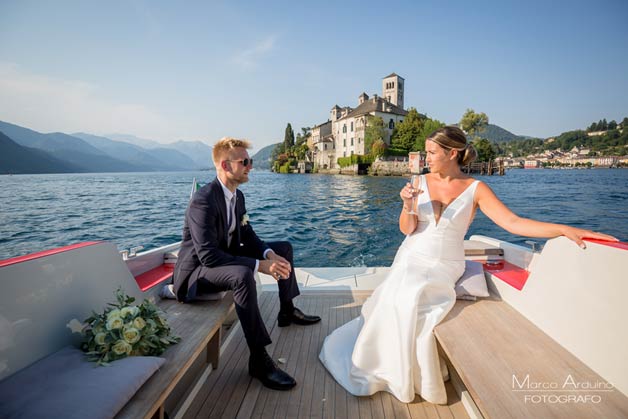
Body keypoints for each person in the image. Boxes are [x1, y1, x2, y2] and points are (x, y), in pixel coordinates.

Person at [319, 126, 617, 404]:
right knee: (402, 290)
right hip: (412, 253)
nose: (426, 158)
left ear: (452, 154)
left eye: (432, 153)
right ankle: (384, 363)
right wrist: (407, 205)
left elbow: (513, 223)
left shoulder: (477, 189)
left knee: (412, 294)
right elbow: (406, 229)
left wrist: (564, 229)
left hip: (446, 263)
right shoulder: (418, 181)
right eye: (425, 153)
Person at [173, 137, 321, 391]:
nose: (250, 166)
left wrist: (267, 254)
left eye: (250, 161)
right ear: (226, 166)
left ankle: (287, 310)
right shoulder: (203, 201)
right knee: (243, 274)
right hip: (197, 274)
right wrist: (258, 266)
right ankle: (258, 359)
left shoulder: (236, 197)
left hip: (223, 260)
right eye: (245, 161)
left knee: (283, 247)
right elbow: (208, 256)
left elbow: (247, 234)